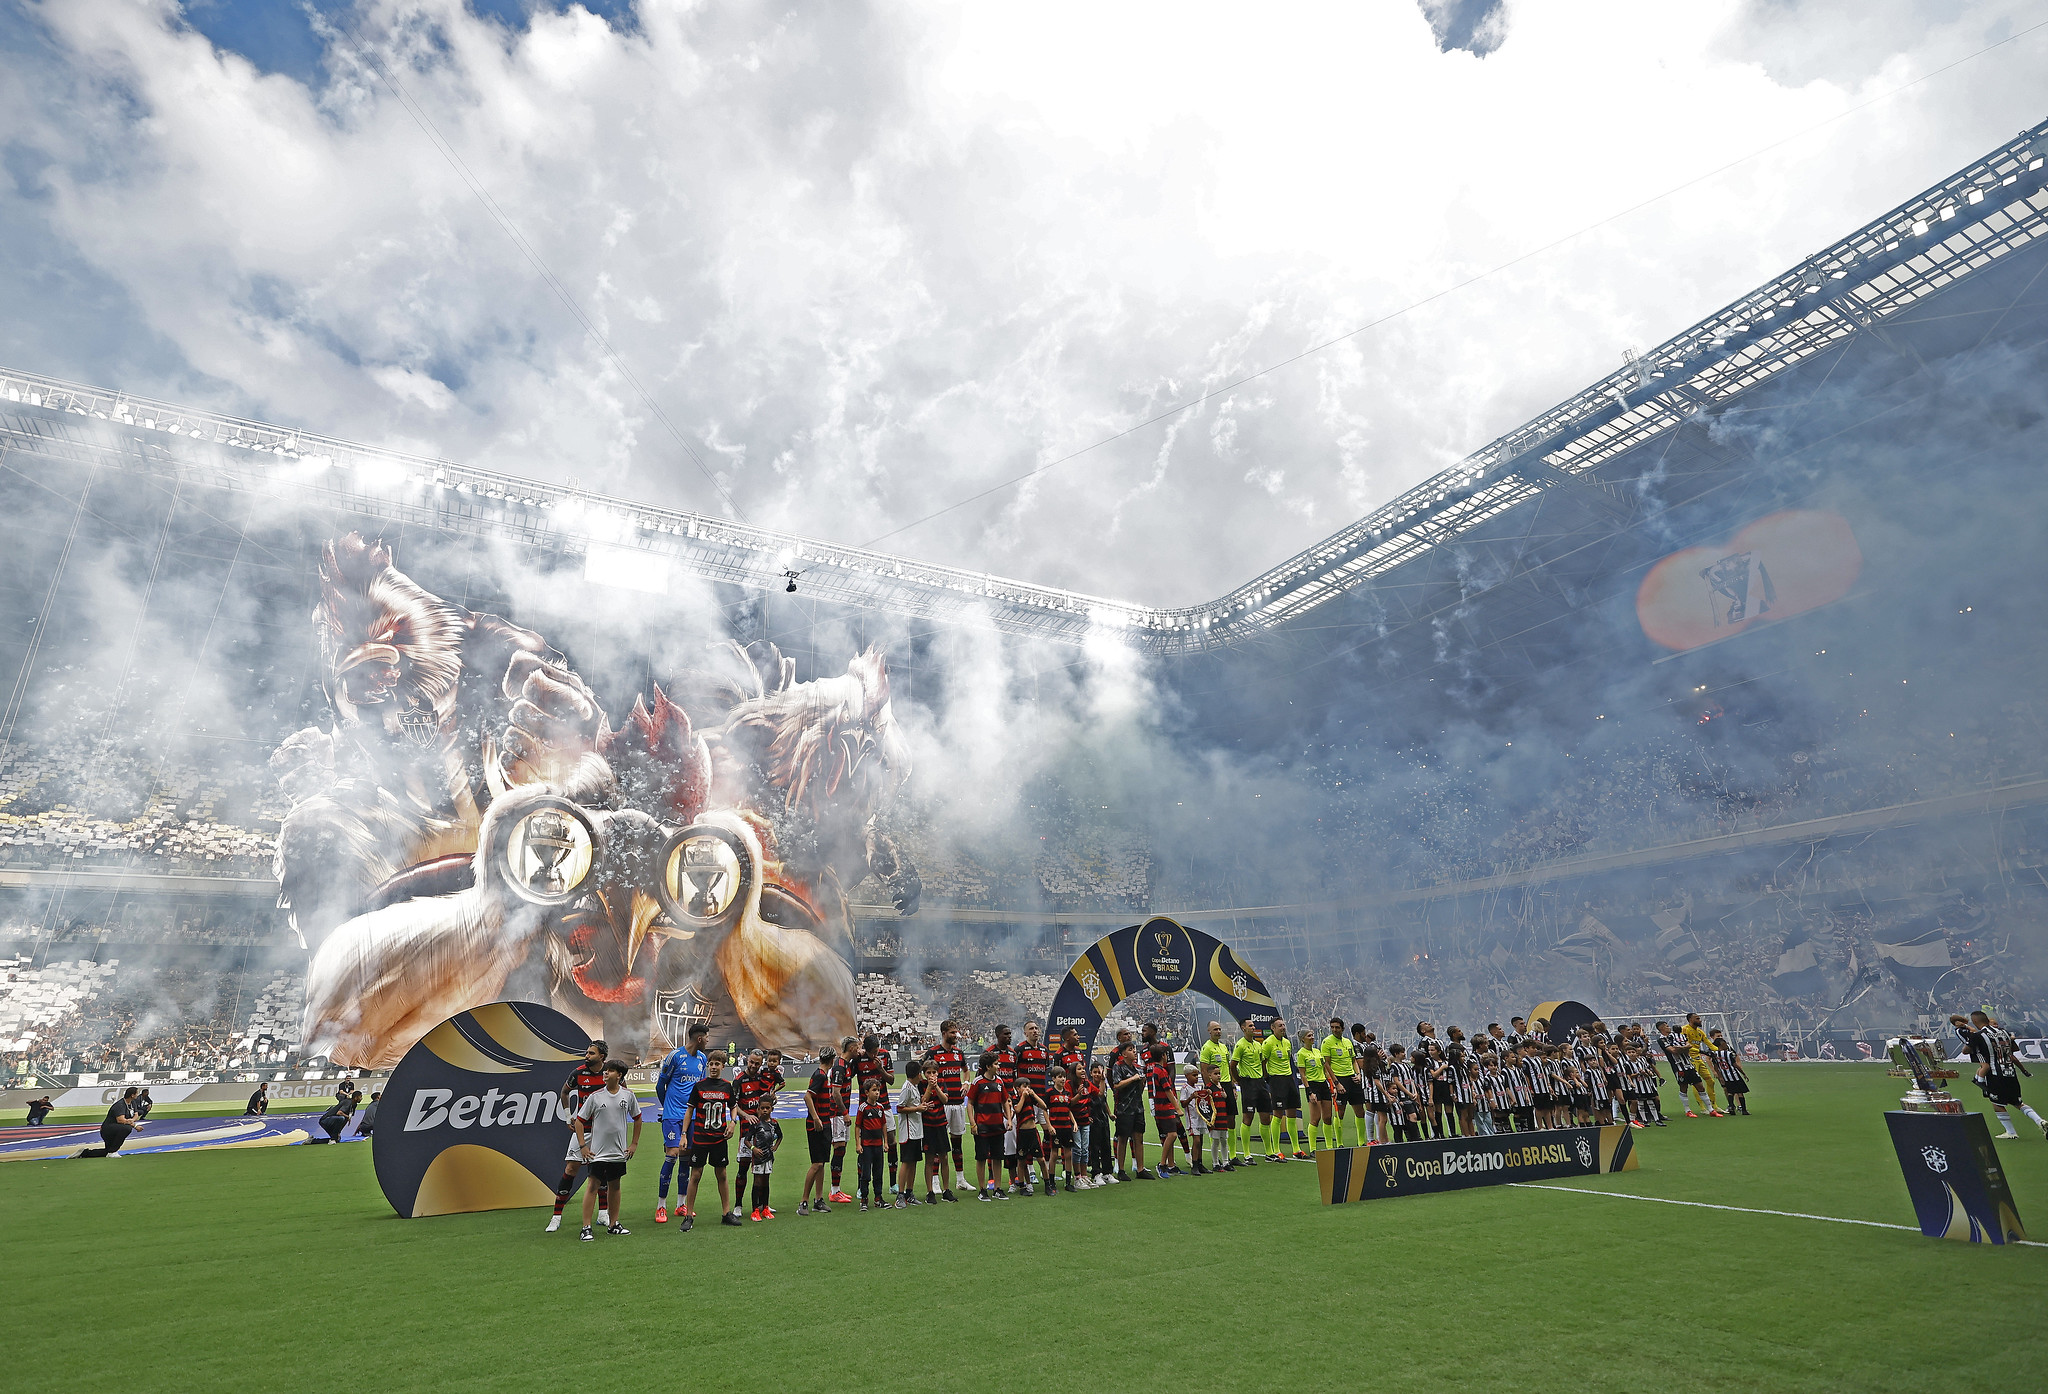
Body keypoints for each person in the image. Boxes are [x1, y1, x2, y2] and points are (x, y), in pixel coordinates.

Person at [573, 1059, 641, 1240]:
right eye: (605, 1070)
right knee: (593, 1186)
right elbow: (579, 1121)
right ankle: (586, 1227)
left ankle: (613, 1224)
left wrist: (634, 1143)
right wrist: (583, 1146)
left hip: (618, 1152)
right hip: (597, 1152)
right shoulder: (595, 1097)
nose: (605, 1073)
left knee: (615, 1186)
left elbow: (638, 1118)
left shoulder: (628, 1095)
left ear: (619, 1075)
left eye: (610, 1071)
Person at [548, 1040, 611, 1233]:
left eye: (591, 1053)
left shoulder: (610, 1073)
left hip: (604, 1131)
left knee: (603, 1171)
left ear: (602, 1056)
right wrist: (568, 1116)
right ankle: (556, 1217)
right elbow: (564, 1092)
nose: (587, 1056)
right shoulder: (578, 1073)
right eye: (587, 1052)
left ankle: (603, 1214)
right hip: (583, 1128)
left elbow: (621, 1094)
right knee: (571, 1168)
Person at [1954, 1010, 2045, 1139]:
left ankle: (2011, 1133)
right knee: (2018, 1103)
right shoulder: (2004, 1032)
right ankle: (2040, 1121)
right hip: (2010, 1072)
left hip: (1995, 1074)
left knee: (1997, 1104)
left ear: (1975, 1022)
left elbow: (1965, 1051)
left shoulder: (1978, 1035)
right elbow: (2014, 1049)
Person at [653, 1022, 711, 1224]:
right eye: (707, 1038)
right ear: (700, 1038)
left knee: (686, 1157)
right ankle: (661, 1206)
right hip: (673, 1116)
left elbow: (700, 1088)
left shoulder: (703, 1059)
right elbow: (660, 1085)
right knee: (672, 1154)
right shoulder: (675, 1056)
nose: (708, 1041)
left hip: (692, 1116)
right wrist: (668, 1108)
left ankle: (681, 1204)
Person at [681, 1051, 740, 1230]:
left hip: (719, 1139)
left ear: (723, 1066)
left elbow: (734, 1107)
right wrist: (684, 1134)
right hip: (700, 1137)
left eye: (717, 1064)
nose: (714, 1067)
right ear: (708, 1066)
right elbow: (689, 1111)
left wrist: (732, 1123)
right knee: (695, 1175)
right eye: (711, 1064)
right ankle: (688, 1216)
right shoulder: (699, 1086)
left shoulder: (726, 1086)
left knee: (721, 1174)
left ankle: (726, 1213)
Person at [924, 1018, 973, 1189]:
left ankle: (960, 1180)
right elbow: (925, 1074)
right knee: (938, 1144)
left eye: (956, 1031)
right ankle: (936, 1181)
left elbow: (966, 1071)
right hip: (940, 1105)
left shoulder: (959, 1053)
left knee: (957, 1142)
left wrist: (966, 1083)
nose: (956, 1035)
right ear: (944, 1033)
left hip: (957, 1103)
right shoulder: (933, 1053)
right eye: (953, 1032)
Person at [799, 1046, 840, 1216]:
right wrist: (815, 1118)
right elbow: (808, 1096)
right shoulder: (820, 1075)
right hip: (817, 1125)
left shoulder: (823, 1075)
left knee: (821, 1162)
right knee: (816, 1163)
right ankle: (804, 1201)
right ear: (832, 1060)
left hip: (824, 1123)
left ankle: (818, 1199)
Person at [967, 1051, 1012, 1201]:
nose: (999, 1066)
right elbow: (970, 1104)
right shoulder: (977, 1082)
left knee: (997, 1158)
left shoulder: (999, 1082)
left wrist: (1009, 1120)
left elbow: (1005, 1101)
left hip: (998, 1126)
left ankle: (998, 1188)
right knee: (981, 1158)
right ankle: (982, 1189)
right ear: (988, 1066)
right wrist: (973, 1124)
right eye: (996, 1064)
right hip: (982, 1126)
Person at [1264, 1017, 1306, 1158]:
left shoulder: (1287, 1043)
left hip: (1289, 1080)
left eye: (1283, 1025)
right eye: (1279, 1026)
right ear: (1273, 1028)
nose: (1283, 1028)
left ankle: (1296, 1150)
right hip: (1276, 1080)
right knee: (1277, 1115)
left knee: (1292, 1115)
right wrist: (1268, 1078)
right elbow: (1263, 1061)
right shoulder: (1268, 1043)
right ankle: (1276, 1150)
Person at [1230, 1019, 1269, 1165]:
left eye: (1254, 1025)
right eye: (1250, 1026)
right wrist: (1238, 1079)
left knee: (1266, 1117)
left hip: (1260, 1083)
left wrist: (1264, 1077)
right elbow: (1233, 1065)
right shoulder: (1240, 1045)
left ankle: (1269, 1152)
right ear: (1243, 1028)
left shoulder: (1258, 1045)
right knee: (1248, 1118)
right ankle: (1247, 1154)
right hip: (1248, 1083)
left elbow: (1262, 1062)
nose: (1254, 1027)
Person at [1109, 1042, 1149, 1179]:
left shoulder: (1138, 1068)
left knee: (1139, 1137)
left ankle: (1140, 1169)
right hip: (1124, 1108)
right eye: (1130, 1050)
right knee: (1123, 1138)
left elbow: (1140, 1088)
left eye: (1134, 1049)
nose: (1134, 1052)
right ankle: (1120, 1169)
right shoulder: (1118, 1066)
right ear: (1124, 1054)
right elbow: (1117, 1085)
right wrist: (1133, 1079)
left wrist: (1141, 1082)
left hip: (1138, 1107)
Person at [893, 1059, 929, 1208]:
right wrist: (917, 1109)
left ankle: (909, 1192)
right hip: (907, 1131)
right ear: (916, 1074)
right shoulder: (907, 1088)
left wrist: (922, 1106)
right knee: (906, 1162)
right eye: (920, 1072)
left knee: (913, 1162)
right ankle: (900, 1195)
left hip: (916, 1131)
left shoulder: (914, 1087)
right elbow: (900, 1108)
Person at [1322, 1018, 1363, 1148]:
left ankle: (1361, 1142)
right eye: (1332, 1027)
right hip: (1339, 1079)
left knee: (1360, 1112)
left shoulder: (1348, 1042)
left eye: (1337, 1027)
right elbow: (1326, 1064)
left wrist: (1358, 1074)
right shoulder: (1327, 1042)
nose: (1334, 1030)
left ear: (1342, 1028)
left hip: (1352, 1078)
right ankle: (1339, 1143)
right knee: (1340, 1112)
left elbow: (1354, 1060)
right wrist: (1336, 1083)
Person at [743, 1089, 782, 1221]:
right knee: (757, 1181)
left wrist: (775, 1146)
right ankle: (755, 1210)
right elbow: (746, 1140)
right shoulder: (755, 1124)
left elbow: (780, 1136)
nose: (765, 1110)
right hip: (758, 1158)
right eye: (762, 1108)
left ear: (771, 1109)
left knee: (766, 1181)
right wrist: (753, 1148)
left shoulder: (774, 1124)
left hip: (769, 1157)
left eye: (767, 1108)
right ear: (758, 1109)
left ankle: (765, 1207)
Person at [855, 1079, 891, 1211]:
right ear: (866, 1092)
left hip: (878, 1146)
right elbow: (858, 1126)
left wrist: (886, 1142)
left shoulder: (880, 1108)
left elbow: (883, 1125)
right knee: (866, 1174)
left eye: (878, 1090)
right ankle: (864, 1199)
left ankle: (878, 1198)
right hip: (867, 1146)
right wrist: (858, 1144)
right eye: (874, 1090)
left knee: (878, 1173)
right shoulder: (863, 1108)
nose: (877, 1093)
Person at [1296, 1028, 1330, 1152]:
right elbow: (1303, 1075)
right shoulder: (1301, 1053)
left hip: (1323, 1085)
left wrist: (1331, 1085)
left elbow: (1325, 1070)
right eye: (1309, 1036)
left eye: (1312, 1035)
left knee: (1328, 1117)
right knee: (1315, 1118)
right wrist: (1309, 1091)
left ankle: (1329, 1146)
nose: (1312, 1037)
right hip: (1312, 1086)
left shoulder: (1317, 1051)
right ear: (1303, 1039)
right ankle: (1313, 1148)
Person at [84, 1088, 142, 1157]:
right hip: (108, 1129)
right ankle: (113, 1151)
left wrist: (132, 1121)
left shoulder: (133, 1103)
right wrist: (134, 1126)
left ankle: (84, 1153)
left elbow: (136, 1115)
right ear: (132, 1095)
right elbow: (121, 1120)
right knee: (127, 1128)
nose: (138, 1095)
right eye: (137, 1093)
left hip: (116, 1128)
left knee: (107, 1151)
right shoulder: (120, 1105)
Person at [1705, 1031, 1751, 1116]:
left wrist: (1719, 1075)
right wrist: (1743, 1073)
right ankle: (1743, 1109)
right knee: (1740, 1092)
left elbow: (1716, 1066)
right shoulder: (1728, 1053)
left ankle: (1731, 1107)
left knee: (1730, 1092)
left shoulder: (1715, 1054)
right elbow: (1734, 1065)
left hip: (1725, 1076)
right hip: (1734, 1075)